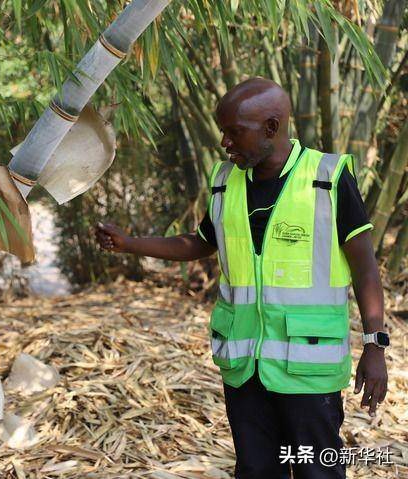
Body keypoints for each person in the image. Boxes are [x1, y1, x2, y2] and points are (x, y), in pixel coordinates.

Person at [94, 78, 389, 479]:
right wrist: (129, 244)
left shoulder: (328, 177)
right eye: (222, 132)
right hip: (244, 366)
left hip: (306, 368)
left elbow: (365, 267)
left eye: (235, 132)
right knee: (255, 469)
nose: (225, 143)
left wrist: (375, 346)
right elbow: (198, 243)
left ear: (271, 126)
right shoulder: (224, 181)